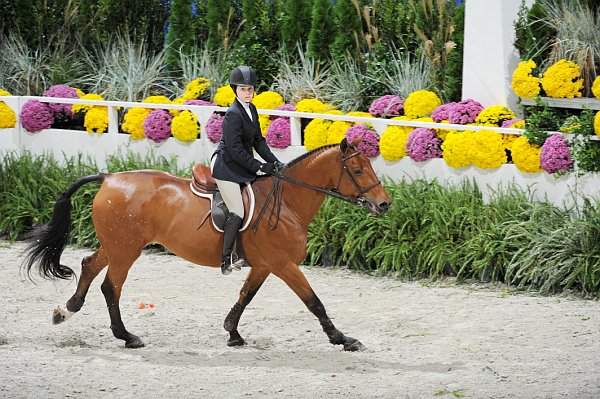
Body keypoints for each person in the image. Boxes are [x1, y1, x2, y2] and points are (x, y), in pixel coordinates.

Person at [210, 65, 282, 275]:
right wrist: (259, 166)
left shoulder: (251, 110)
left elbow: (258, 142)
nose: (248, 93)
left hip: (241, 163)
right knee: (238, 210)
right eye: (243, 89)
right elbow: (234, 150)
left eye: (250, 89)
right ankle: (225, 260)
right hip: (226, 166)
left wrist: (275, 162)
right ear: (235, 90)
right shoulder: (233, 114)